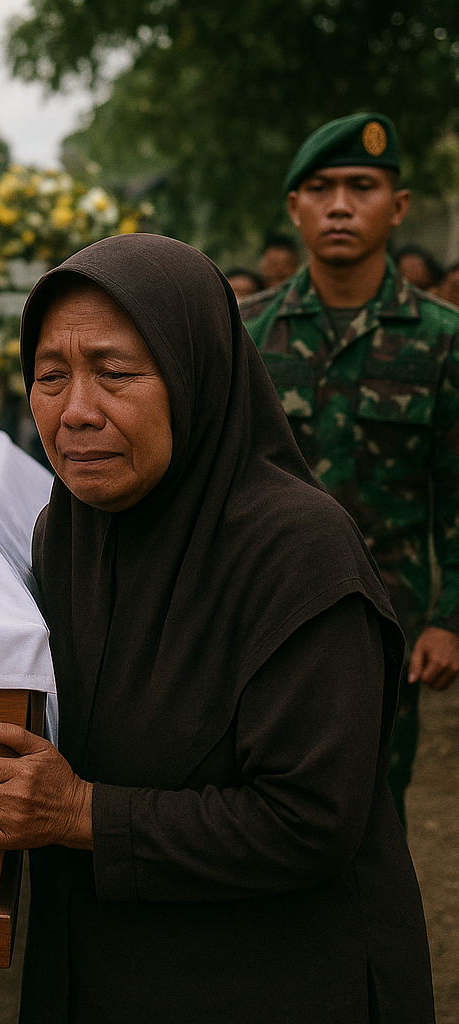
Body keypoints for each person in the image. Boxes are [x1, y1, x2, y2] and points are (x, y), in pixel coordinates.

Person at [0, 232, 435, 1023]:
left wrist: (81, 813)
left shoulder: (299, 551)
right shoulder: (67, 528)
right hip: (106, 961)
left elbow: (309, 820)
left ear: (196, 376)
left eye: (116, 373)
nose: (77, 412)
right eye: (49, 377)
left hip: (275, 978)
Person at [240, 113, 459, 829]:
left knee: (372, 814)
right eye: (321, 187)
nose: (340, 204)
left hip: (386, 622)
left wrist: (449, 620)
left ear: (396, 207)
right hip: (255, 611)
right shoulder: (244, 333)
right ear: (295, 207)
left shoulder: (443, 341)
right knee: (252, 795)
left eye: (362, 186)